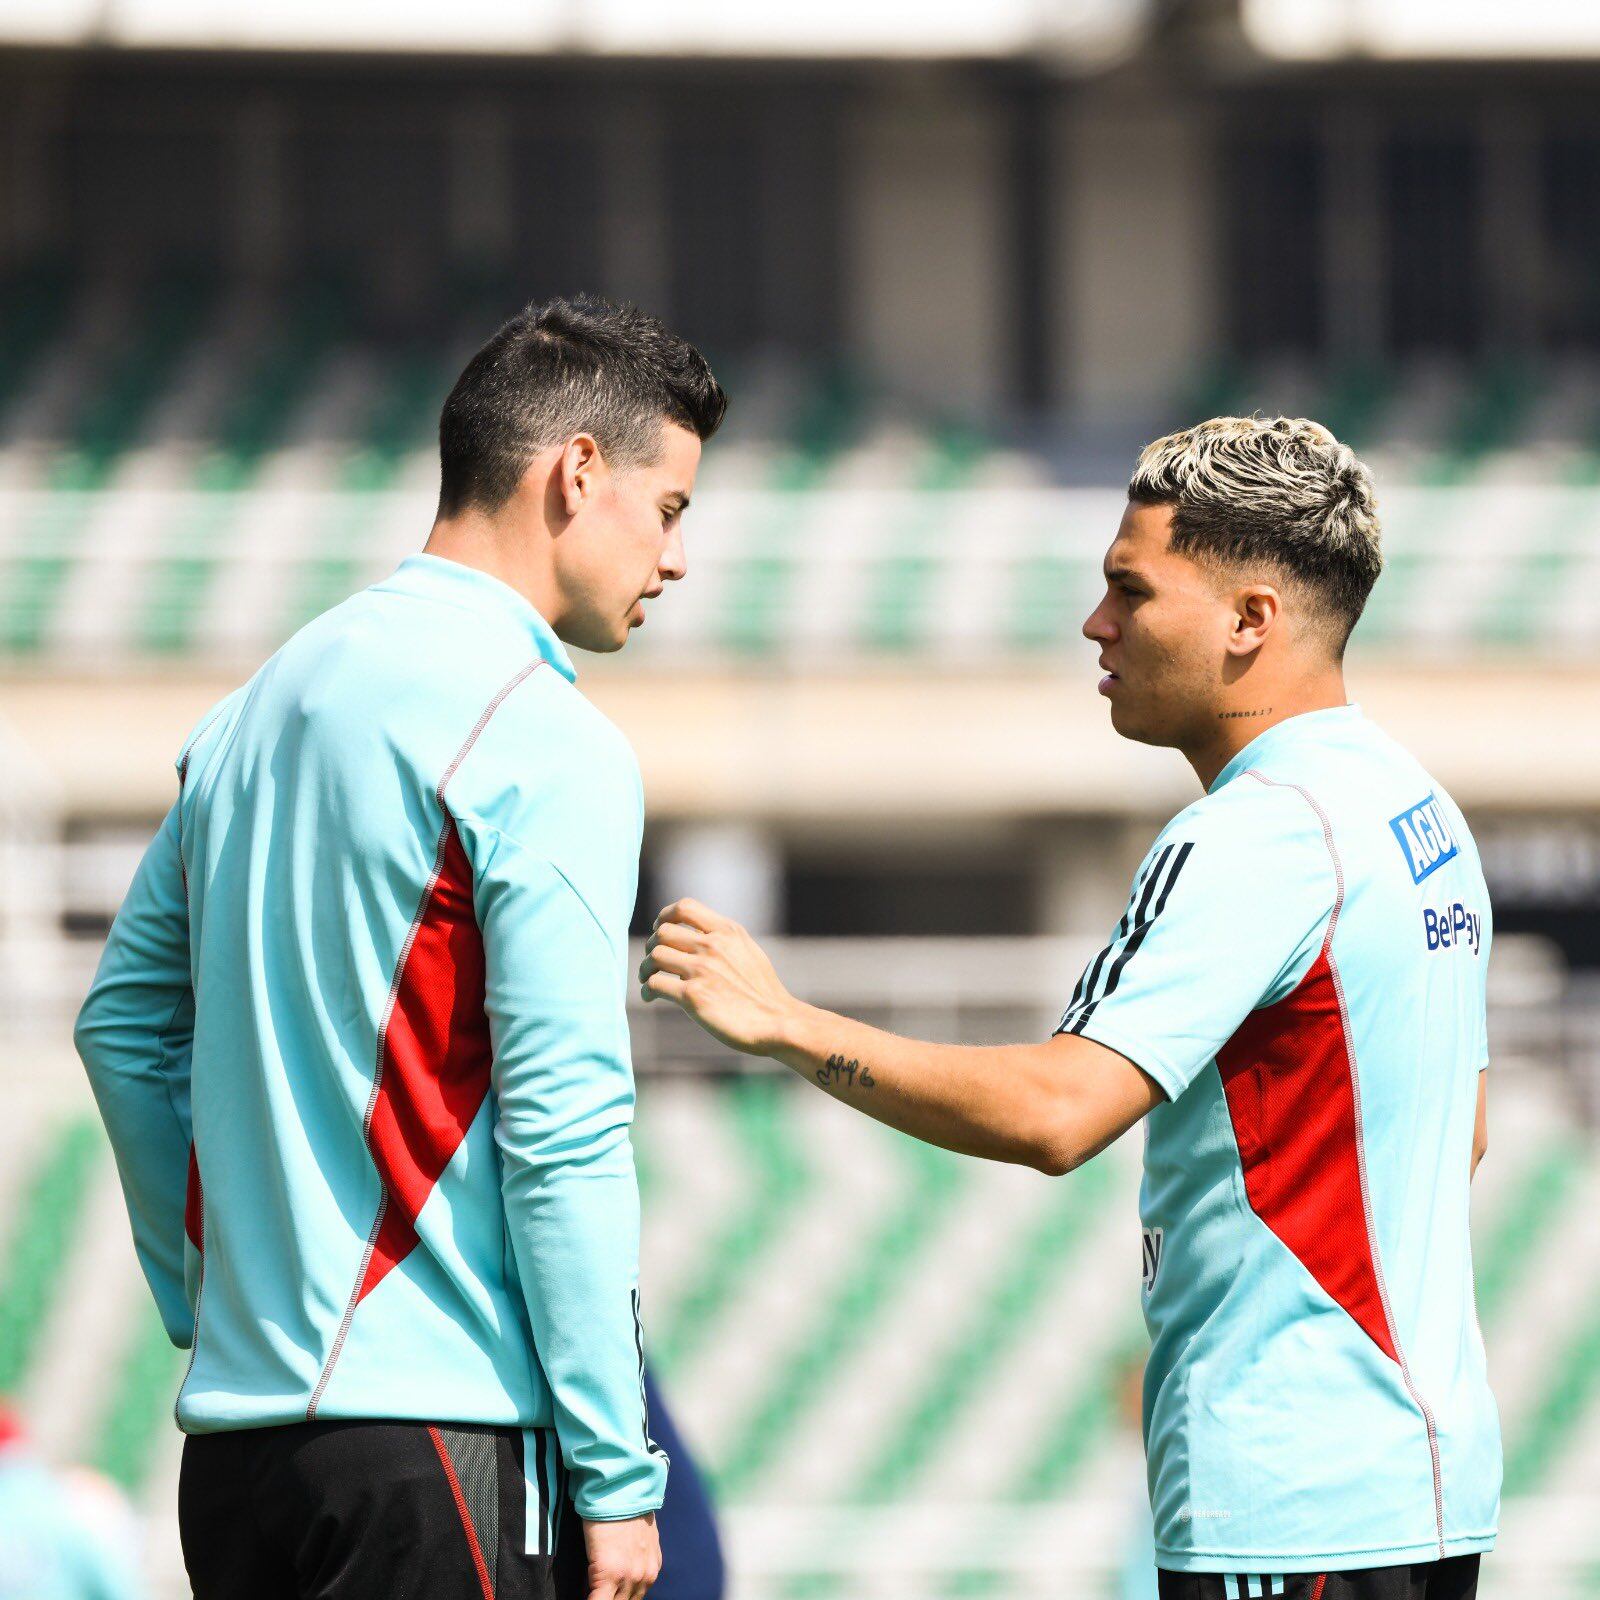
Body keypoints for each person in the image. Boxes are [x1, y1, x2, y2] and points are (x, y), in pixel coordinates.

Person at [642, 417, 1499, 1600]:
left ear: (1250, 621)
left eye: (1129, 591)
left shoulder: (1254, 833)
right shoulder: (1418, 811)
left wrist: (786, 1020)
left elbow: (1056, 1112)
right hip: (1417, 1477)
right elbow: (1465, 1129)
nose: (1097, 625)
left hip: (1288, 1498)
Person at [75, 295, 726, 1600]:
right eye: (671, 511)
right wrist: (616, 1467)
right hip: (445, 1441)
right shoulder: (543, 733)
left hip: (243, 1462)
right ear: (577, 473)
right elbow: (563, 1123)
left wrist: (208, 1300)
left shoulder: (257, 707)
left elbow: (122, 1027)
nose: (675, 560)